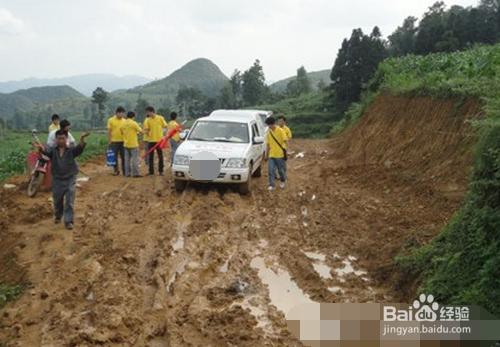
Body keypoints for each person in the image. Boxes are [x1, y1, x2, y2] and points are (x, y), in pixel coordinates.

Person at [35, 130, 90, 230]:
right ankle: (58, 215)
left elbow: (79, 148)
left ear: (66, 139)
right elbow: (46, 152)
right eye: (59, 138)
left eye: (63, 138)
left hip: (70, 178)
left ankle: (68, 221)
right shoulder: (53, 150)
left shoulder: (71, 150)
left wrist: (82, 138)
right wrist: (41, 149)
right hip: (57, 179)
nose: (61, 140)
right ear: (56, 140)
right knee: (57, 200)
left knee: (69, 200)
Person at [265, 116, 287, 191]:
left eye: (269, 125)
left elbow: (285, 141)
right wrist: (266, 155)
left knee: (281, 170)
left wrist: (285, 150)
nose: (268, 126)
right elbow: (268, 145)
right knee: (270, 170)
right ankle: (272, 185)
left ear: (272, 124)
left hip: (280, 155)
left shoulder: (280, 131)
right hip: (272, 155)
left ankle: (283, 181)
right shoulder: (269, 133)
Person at [143, 106, 167, 176]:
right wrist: (147, 132)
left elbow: (165, 126)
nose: (147, 114)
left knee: (160, 156)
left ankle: (161, 171)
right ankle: (151, 172)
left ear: (152, 111)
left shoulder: (160, 118)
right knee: (151, 156)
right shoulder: (148, 120)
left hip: (159, 141)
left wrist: (164, 135)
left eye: (148, 112)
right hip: (151, 141)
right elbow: (146, 129)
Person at [121, 111, 142, 177]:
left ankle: (127, 173)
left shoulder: (123, 123)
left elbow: (121, 131)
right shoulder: (134, 123)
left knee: (127, 160)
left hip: (126, 144)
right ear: (133, 116)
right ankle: (136, 173)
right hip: (133, 144)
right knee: (135, 159)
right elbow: (141, 131)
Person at [107, 106, 126, 176]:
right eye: (121, 113)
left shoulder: (124, 121)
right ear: (117, 113)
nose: (123, 115)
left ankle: (125, 171)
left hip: (123, 141)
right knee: (114, 157)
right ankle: (116, 170)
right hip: (114, 141)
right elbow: (109, 131)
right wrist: (109, 140)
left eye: (123, 113)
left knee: (124, 156)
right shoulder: (111, 120)